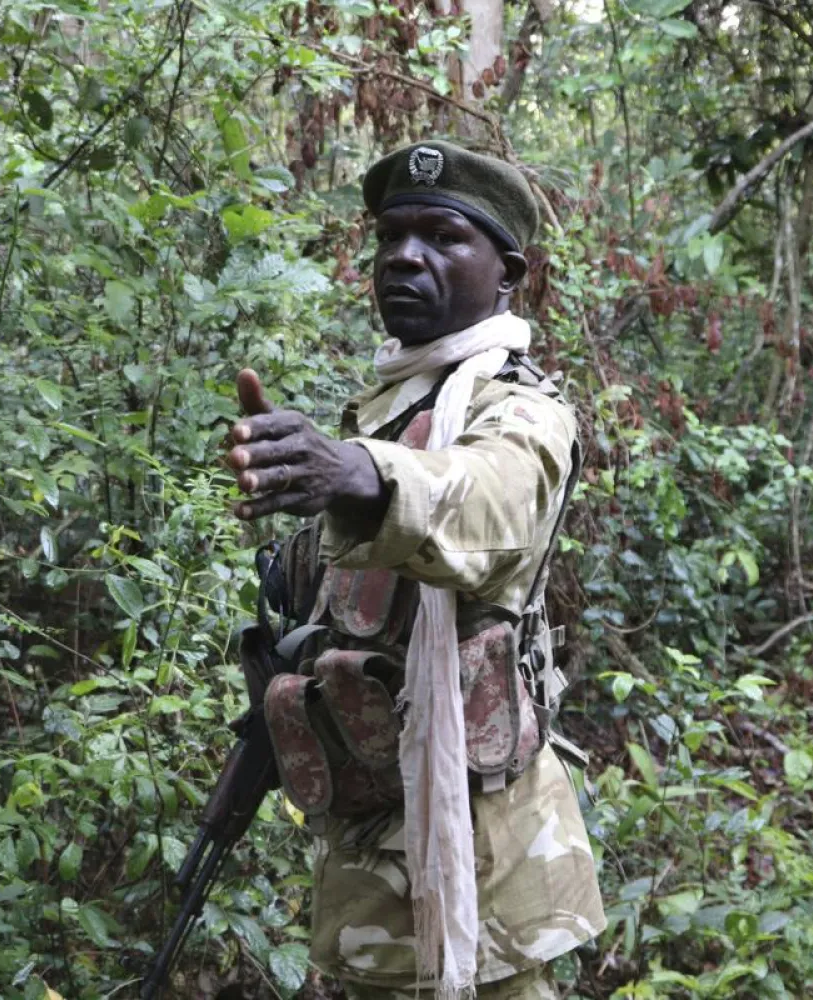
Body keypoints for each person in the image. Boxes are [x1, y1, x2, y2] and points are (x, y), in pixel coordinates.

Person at [222, 140, 605, 1000]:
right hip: (368, 881)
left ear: (508, 273)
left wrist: (357, 474)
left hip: (487, 889)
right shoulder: (392, 411)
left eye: (441, 236)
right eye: (392, 237)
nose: (405, 256)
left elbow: (487, 501)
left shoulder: (523, 412)